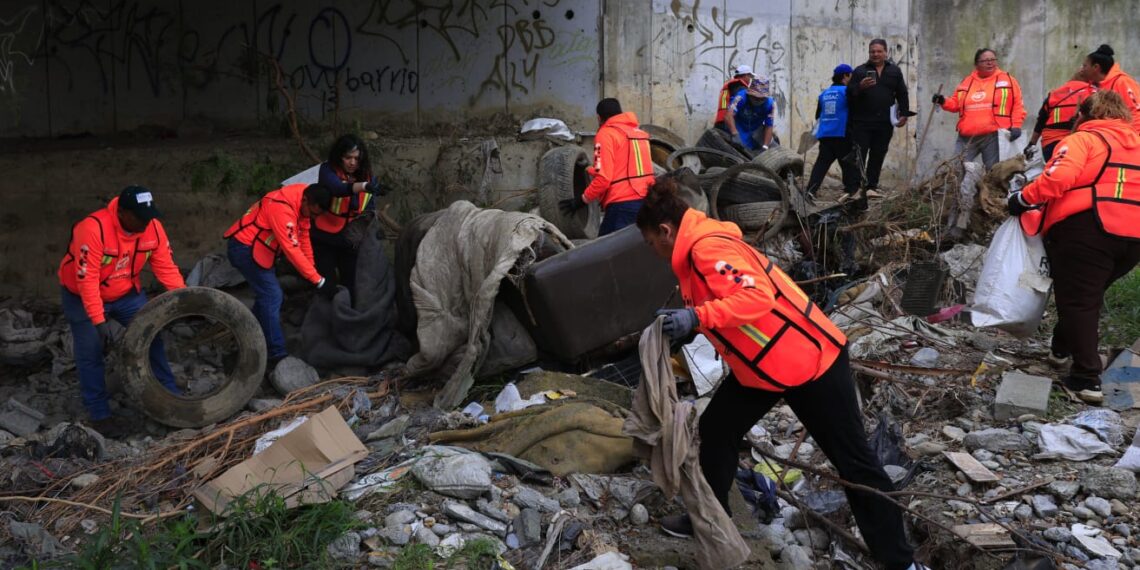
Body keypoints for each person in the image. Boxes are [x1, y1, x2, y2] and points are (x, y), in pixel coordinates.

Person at [637, 177, 927, 570]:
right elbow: (726, 310)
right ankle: (711, 521)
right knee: (717, 430)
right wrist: (689, 328)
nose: (652, 251)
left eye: (650, 243)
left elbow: (756, 296)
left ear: (666, 231)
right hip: (765, 369)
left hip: (811, 363)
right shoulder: (696, 253)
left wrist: (697, 317)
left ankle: (901, 563)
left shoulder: (708, 249)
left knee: (855, 464)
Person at [1010, 91, 1140, 404]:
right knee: (1085, 296)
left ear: (1084, 115)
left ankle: (1086, 378)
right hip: (1133, 237)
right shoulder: (1136, 143)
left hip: (1089, 228)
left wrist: (1022, 199)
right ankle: (1060, 348)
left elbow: (1058, 178)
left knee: (1079, 301)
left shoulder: (1083, 139)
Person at [58, 186, 186, 438]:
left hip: (126, 294)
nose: (146, 223)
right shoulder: (93, 229)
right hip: (82, 297)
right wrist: (99, 321)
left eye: (149, 216)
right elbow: (87, 280)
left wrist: (185, 301)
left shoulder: (152, 227)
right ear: (122, 213)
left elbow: (166, 267)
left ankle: (171, 397)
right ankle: (100, 415)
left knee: (151, 339)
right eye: (140, 217)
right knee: (90, 352)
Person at [225, 183, 337, 369]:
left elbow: (303, 237)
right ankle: (277, 356)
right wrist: (318, 281)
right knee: (272, 295)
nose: (314, 218)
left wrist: (313, 272)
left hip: (259, 250)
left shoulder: (303, 201)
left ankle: (247, 336)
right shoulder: (282, 209)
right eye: (313, 213)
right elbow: (292, 249)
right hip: (244, 249)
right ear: (305, 201)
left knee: (266, 297)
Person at [559, 98, 654, 235]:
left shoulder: (605, 134)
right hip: (647, 201)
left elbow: (603, 179)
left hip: (622, 205)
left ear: (599, 118)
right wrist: (590, 169)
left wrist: (582, 200)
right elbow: (627, 169)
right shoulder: (639, 134)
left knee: (605, 248)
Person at [313, 134, 389, 298]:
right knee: (326, 285)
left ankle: (347, 311)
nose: (353, 162)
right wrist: (364, 186)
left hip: (350, 239)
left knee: (351, 284)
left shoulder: (368, 176)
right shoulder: (327, 170)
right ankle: (325, 311)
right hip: (324, 237)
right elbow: (337, 188)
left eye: (356, 158)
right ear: (339, 156)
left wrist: (372, 227)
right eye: (348, 158)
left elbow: (369, 207)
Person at [933, 48, 1026, 170]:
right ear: (976, 64)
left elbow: (1017, 105)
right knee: (956, 169)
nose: (990, 63)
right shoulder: (967, 82)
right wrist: (943, 101)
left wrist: (1016, 125)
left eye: (993, 60)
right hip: (967, 137)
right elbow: (956, 104)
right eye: (985, 60)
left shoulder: (1008, 81)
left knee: (993, 172)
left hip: (993, 136)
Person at [847, 39, 911, 196]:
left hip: (884, 122)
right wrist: (860, 87)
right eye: (872, 51)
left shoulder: (894, 71)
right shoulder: (860, 71)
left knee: (878, 154)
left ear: (885, 52)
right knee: (859, 155)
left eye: (879, 51)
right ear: (869, 53)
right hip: (862, 122)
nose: (875, 54)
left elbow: (902, 93)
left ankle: (871, 187)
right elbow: (849, 94)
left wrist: (904, 114)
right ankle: (856, 188)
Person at [806, 64, 859, 201]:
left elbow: (818, 115)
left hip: (825, 134)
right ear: (846, 75)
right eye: (851, 75)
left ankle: (810, 191)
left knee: (821, 164)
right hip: (842, 133)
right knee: (847, 164)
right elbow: (854, 112)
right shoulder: (847, 92)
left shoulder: (824, 93)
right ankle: (851, 191)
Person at [1026, 73, 1095, 162]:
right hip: (1076, 143)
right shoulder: (1092, 94)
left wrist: (1032, 144)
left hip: (1050, 144)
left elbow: (1041, 122)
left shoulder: (1054, 94)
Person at [1080, 44, 1140, 132]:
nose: (1081, 69)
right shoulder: (1093, 86)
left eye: (1085, 66)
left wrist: (1132, 137)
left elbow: (1137, 113)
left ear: (1096, 67)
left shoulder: (1122, 82)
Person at [724, 78, 776, 153]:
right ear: (749, 94)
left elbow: (769, 125)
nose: (758, 101)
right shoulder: (741, 97)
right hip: (739, 126)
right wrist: (734, 133)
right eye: (755, 98)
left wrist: (765, 146)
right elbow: (728, 116)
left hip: (756, 129)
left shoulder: (770, 104)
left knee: (772, 148)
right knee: (739, 149)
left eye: (761, 99)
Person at [714, 64, 755, 132]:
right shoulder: (739, 87)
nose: (750, 80)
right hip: (728, 121)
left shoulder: (731, 84)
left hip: (720, 120)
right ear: (745, 75)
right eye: (749, 76)